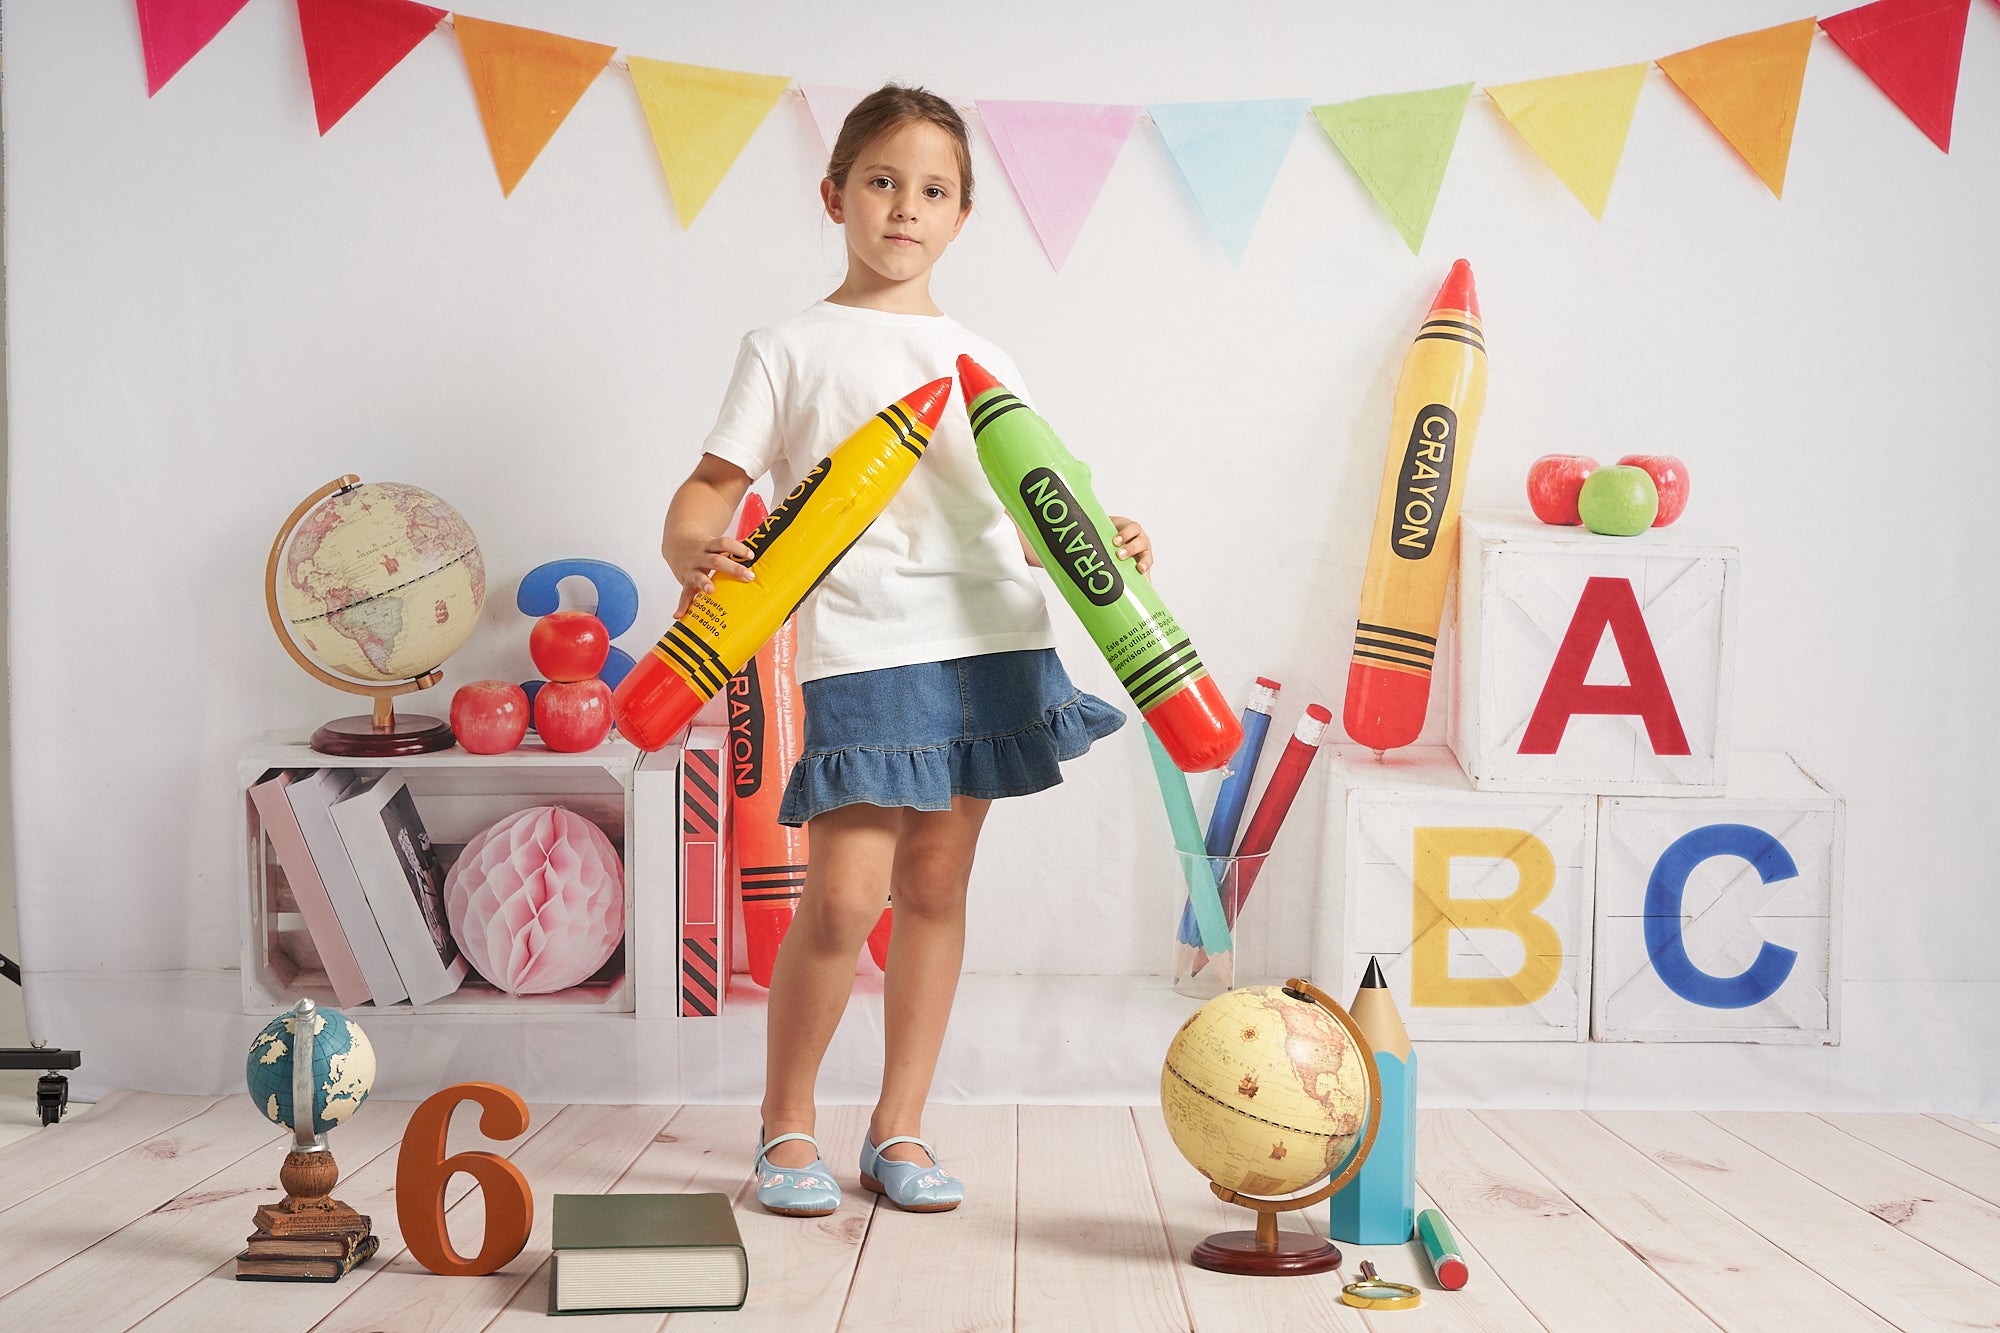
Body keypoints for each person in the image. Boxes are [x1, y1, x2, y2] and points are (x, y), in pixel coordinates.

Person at [655, 85, 1152, 1217]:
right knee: (841, 897)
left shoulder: (985, 353)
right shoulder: (785, 347)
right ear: (833, 195)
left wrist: (1104, 530)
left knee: (935, 885)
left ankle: (899, 1127)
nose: (903, 208)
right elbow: (711, 489)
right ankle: (786, 1123)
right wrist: (694, 544)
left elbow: (1037, 500)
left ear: (962, 216)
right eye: (881, 181)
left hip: (989, 636)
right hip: (866, 644)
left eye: (932, 191)